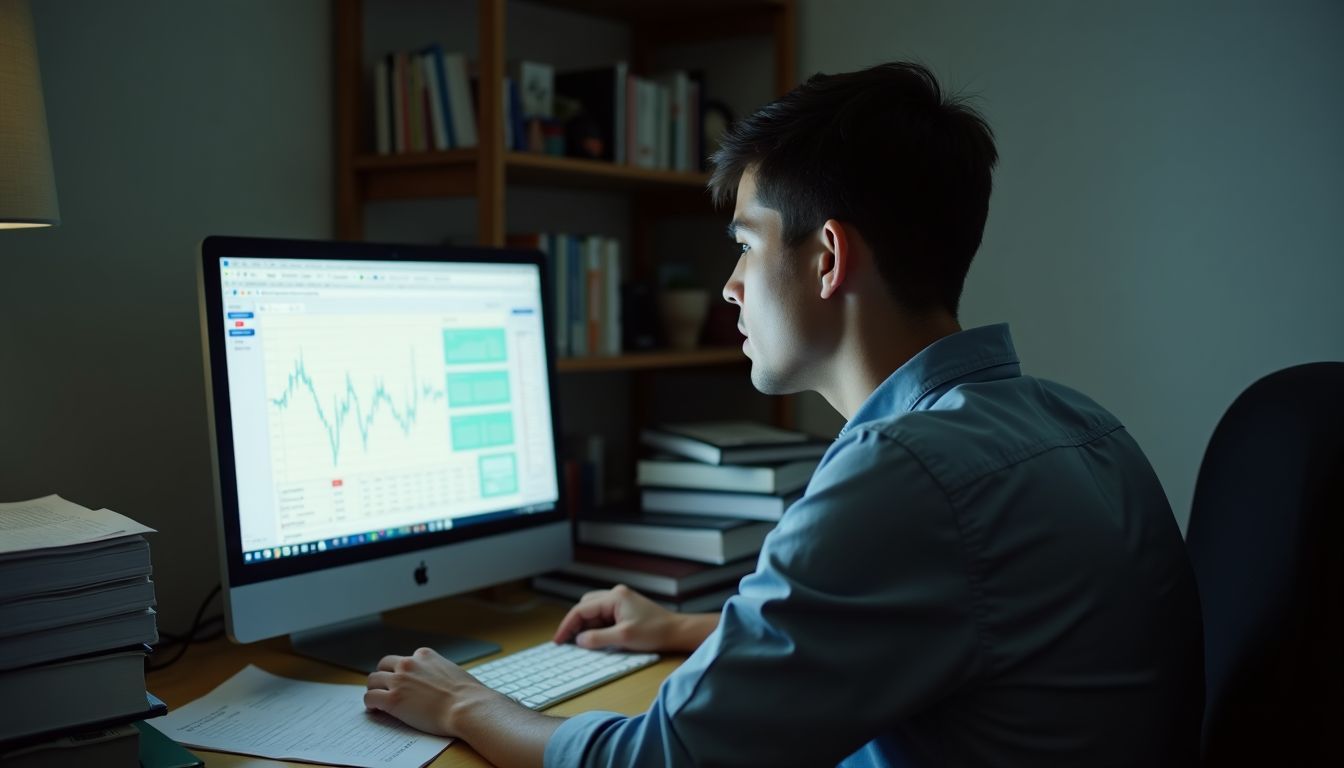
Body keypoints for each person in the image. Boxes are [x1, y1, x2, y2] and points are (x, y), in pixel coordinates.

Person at [364, 61, 1205, 767]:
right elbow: (930, 627)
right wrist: (685, 627)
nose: (729, 286)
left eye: (744, 245)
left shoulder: (905, 474)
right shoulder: (1077, 423)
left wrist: (463, 705)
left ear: (829, 257)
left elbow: (663, 761)